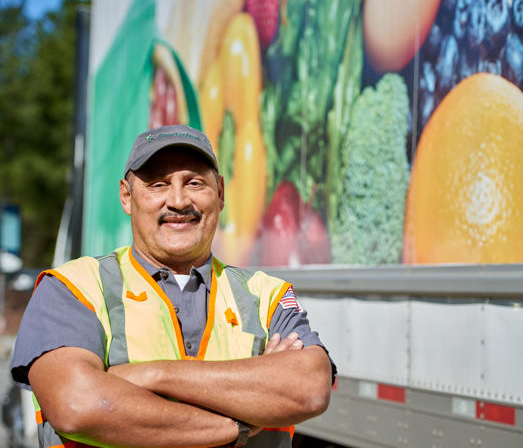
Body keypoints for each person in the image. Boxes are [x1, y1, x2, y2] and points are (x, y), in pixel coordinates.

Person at [11, 125, 334, 447]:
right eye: (158, 184)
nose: (178, 201)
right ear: (127, 196)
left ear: (220, 193)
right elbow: (77, 406)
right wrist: (241, 424)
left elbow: (308, 390)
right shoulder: (73, 287)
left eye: (195, 183)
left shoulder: (265, 294)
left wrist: (153, 375)